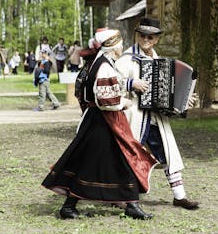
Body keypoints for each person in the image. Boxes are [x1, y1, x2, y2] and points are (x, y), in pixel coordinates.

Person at [42, 29, 157, 220]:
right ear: (113, 46)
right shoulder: (104, 65)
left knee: (110, 161)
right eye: (120, 43)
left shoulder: (102, 62)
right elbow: (106, 99)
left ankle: (130, 204)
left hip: (99, 121)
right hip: (103, 122)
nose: (122, 47)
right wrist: (123, 103)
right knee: (113, 160)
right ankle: (72, 206)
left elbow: (109, 86)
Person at [115, 17, 199, 210]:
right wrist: (131, 83)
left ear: (156, 39)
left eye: (150, 36)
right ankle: (121, 196)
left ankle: (179, 196)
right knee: (127, 155)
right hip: (134, 116)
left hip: (154, 118)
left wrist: (184, 101)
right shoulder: (126, 59)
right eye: (143, 35)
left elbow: (168, 93)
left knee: (168, 153)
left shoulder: (160, 62)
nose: (146, 39)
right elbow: (110, 81)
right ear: (137, 36)